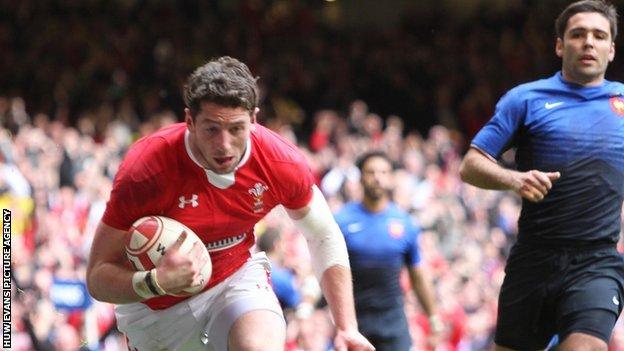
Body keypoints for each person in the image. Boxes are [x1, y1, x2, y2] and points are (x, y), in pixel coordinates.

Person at [86, 56, 375, 351]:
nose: (224, 145)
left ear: (254, 119)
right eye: (212, 129)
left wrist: (346, 327)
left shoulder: (279, 161)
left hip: (234, 280)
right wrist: (156, 281)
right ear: (189, 121)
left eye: (236, 129)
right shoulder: (146, 168)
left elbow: (324, 234)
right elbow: (97, 276)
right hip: (156, 311)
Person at [459, 1, 624, 350]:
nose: (588, 43)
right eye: (578, 34)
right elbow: (471, 164)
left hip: (597, 261)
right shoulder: (526, 99)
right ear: (560, 45)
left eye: (599, 36)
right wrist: (514, 180)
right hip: (534, 259)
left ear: (611, 49)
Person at [334, 151, 442, 351]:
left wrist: (433, 319)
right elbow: (327, 269)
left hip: (393, 323)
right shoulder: (341, 221)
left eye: (383, 172)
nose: (377, 177)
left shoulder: (405, 223)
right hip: (354, 322)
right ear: (360, 177)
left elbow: (418, 276)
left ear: (391, 178)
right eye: (371, 172)